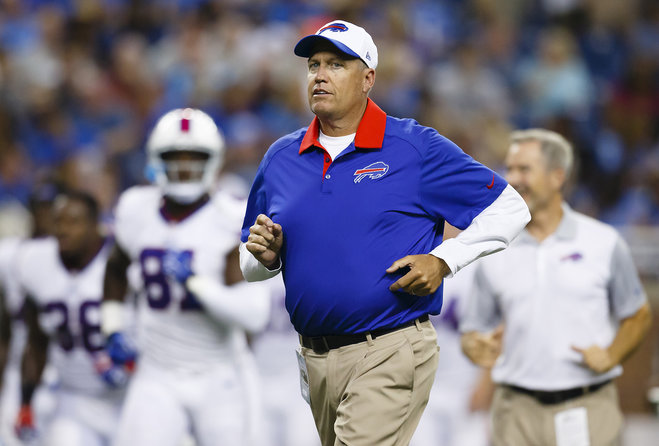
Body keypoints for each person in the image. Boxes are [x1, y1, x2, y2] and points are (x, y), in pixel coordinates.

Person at [240, 20, 530, 446]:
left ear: (368, 78)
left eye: (336, 64)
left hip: (389, 346)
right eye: (313, 64)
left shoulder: (414, 147)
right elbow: (249, 264)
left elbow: (511, 207)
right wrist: (265, 257)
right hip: (314, 356)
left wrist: (445, 259)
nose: (319, 75)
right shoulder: (280, 157)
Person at [460, 129, 652, 446]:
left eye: (525, 169)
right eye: (510, 168)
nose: (514, 179)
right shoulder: (494, 248)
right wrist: (474, 345)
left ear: (557, 176)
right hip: (515, 409)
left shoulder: (602, 242)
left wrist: (612, 354)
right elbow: (473, 329)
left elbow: (638, 314)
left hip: (588, 404)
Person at [100, 107, 270, 446]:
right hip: (156, 372)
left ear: (214, 161)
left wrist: (196, 284)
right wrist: (113, 326)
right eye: (174, 157)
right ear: (155, 159)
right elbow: (116, 268)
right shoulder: (135, 208)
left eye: (194, 157)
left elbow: (254, 314)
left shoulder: (230, 216)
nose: (184, 166)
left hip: (219, 374)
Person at [15, 190, 129, 446]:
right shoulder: (35, 262)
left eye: (73, 222)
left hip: (130, 400)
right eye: (58, 221)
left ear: (95, 226)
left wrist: (132, 363)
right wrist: (25, 403)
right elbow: (36, 342)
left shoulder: (119, 263)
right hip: (74, 401)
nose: (63, 230)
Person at [0, 183, 59, 446]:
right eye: (40, 208)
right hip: (20, 367)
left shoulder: (85, 256)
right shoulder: (9, 255)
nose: (46, 214)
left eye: (52, 208)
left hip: (66, 372)